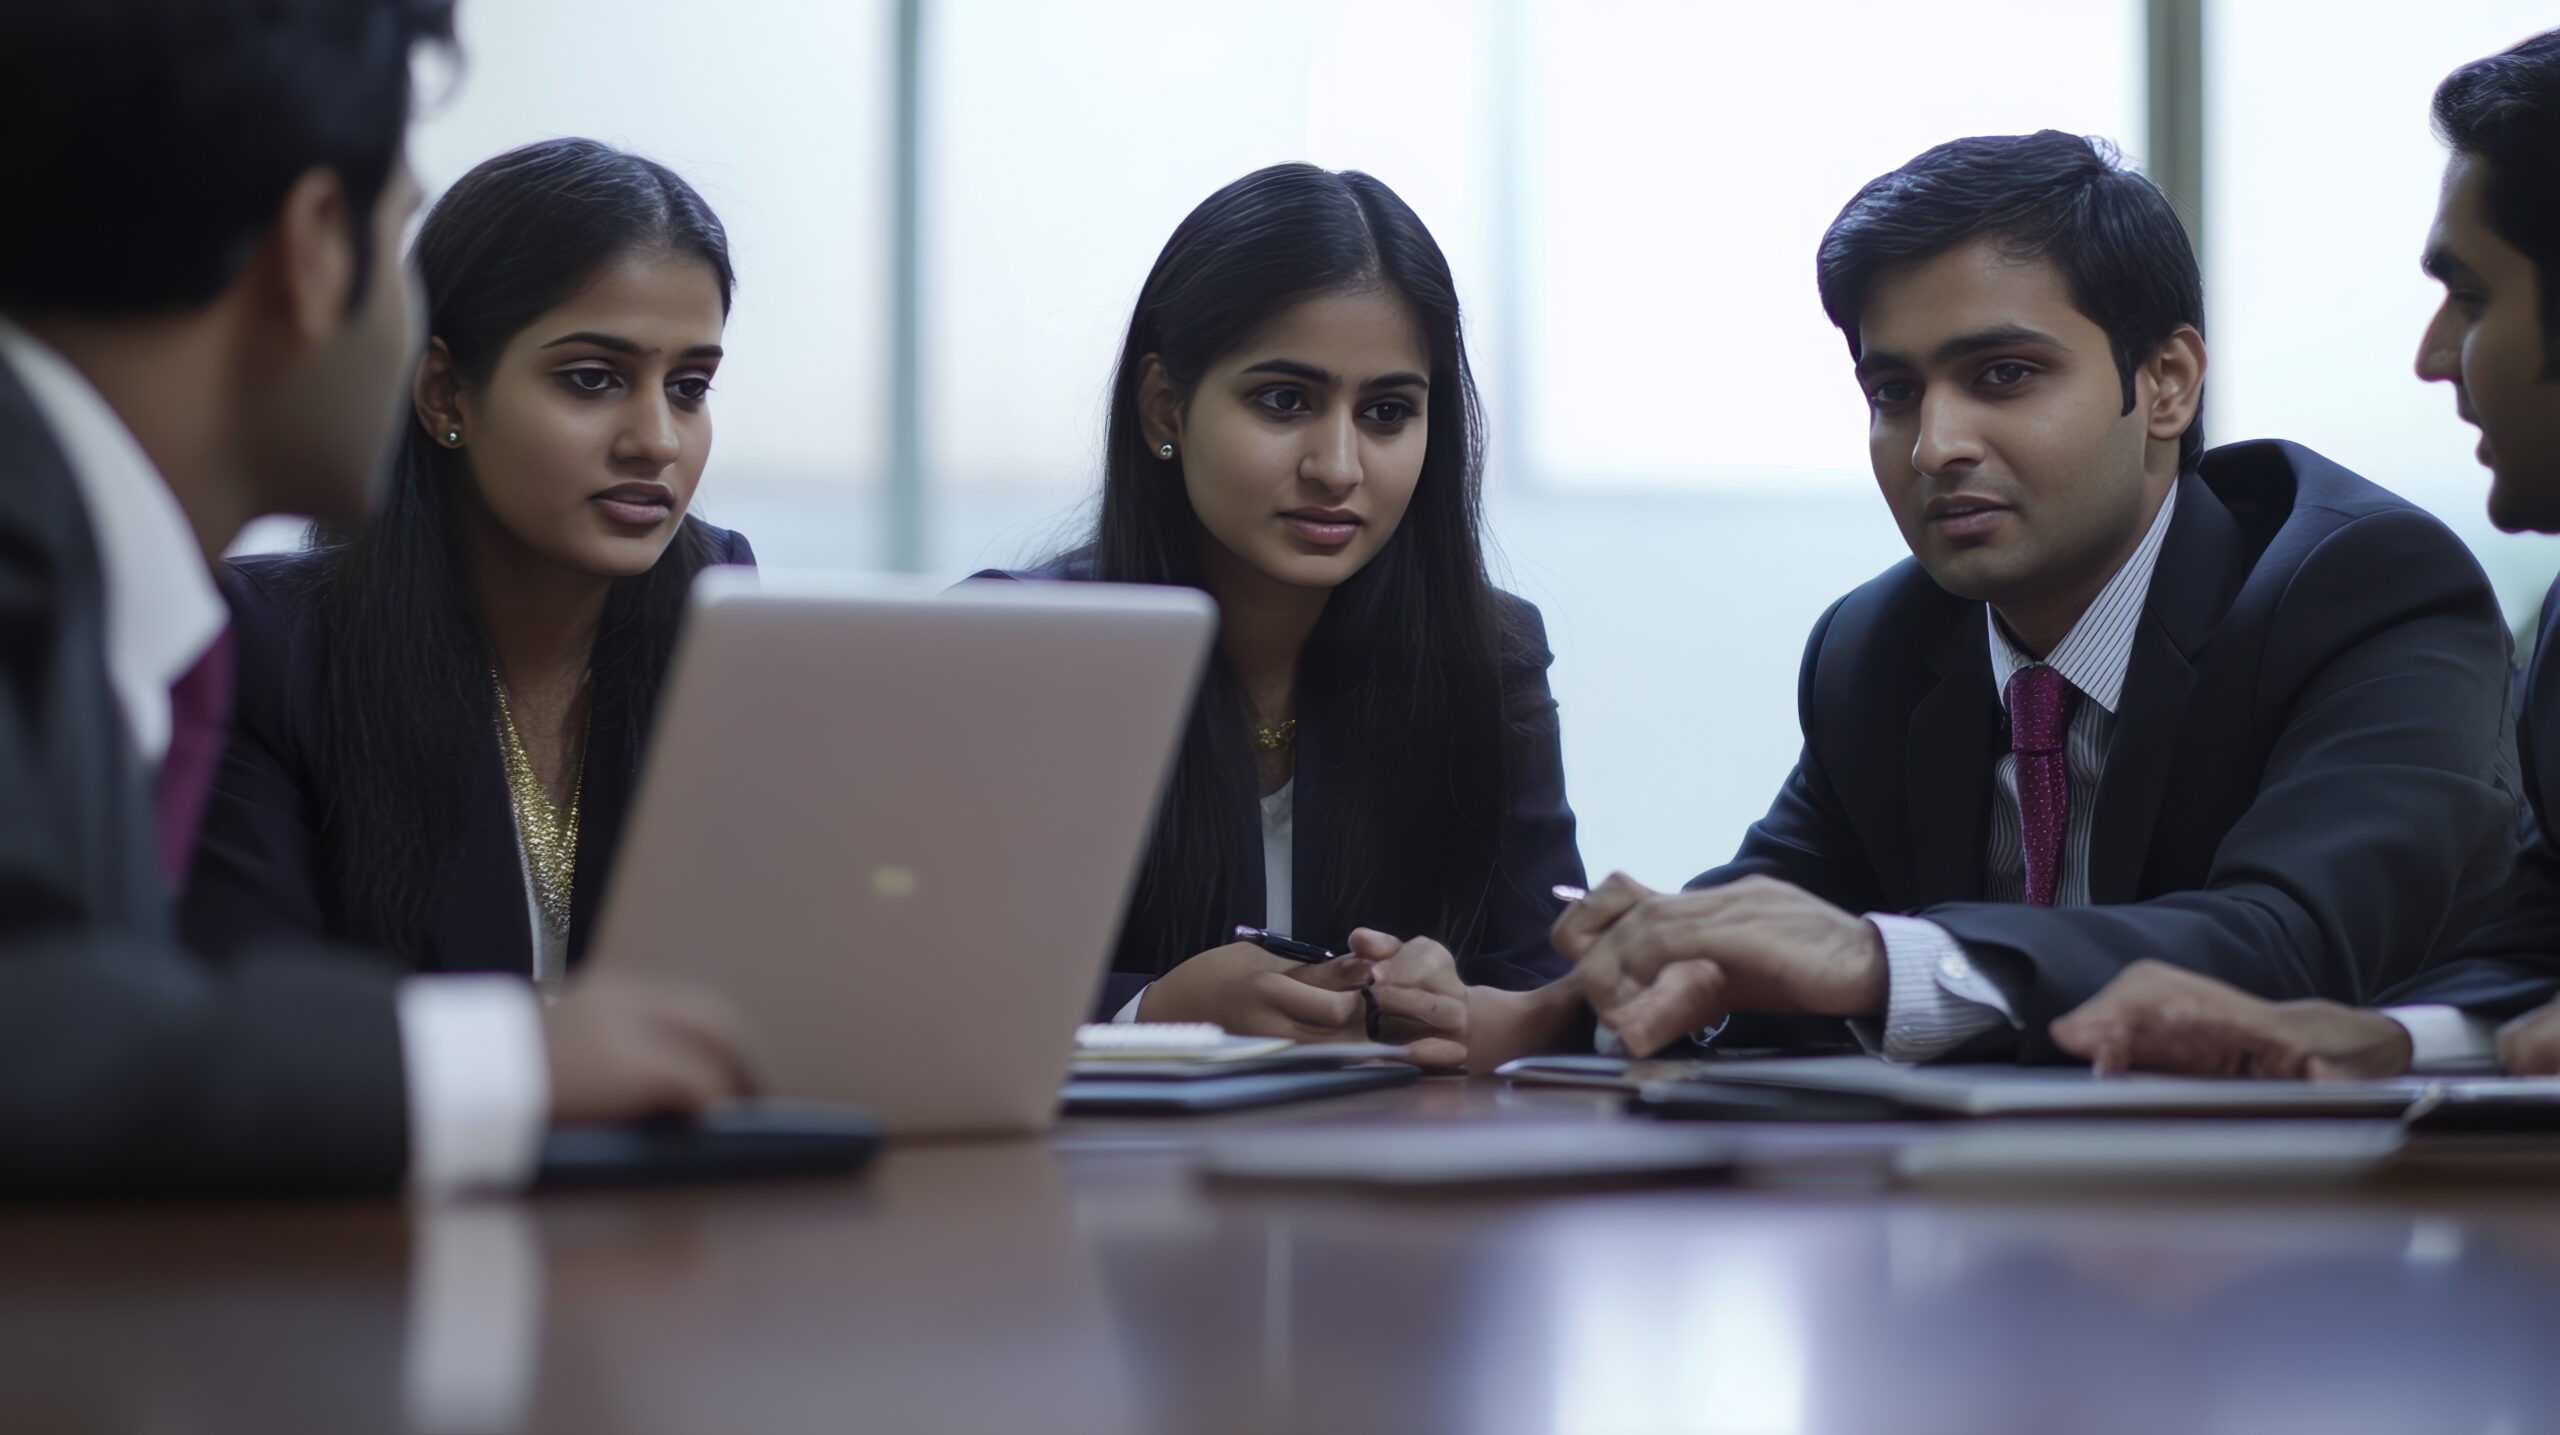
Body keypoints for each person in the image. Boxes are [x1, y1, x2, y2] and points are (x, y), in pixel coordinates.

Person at [0, 0, 755, 1198]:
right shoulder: (200, 627)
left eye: (693, 385)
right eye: (400, 231)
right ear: (314, 248)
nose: (655, 440)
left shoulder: (100, 589)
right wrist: (502, 1058)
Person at [1552, 130, 2519, 1063]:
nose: (1936, 446)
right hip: (1978, 1210)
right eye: (1893, 393)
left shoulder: (2361, 594)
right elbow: (1757, 943)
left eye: (2003, 376)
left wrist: (1878, 960)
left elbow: (2290, 951)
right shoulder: (1879, 646)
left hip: (2357, 1206)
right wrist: (1575, 1001)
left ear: (2168, 384)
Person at [981, 163, 1589, 1068]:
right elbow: (916, 987)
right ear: (1166, 407)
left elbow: (1548, 993)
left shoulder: (1485, 660)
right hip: (1089, 1195)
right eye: (1284, 401)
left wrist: (1459, 1005)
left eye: (1387, 412)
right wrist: (1154, 1008)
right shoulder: (1015, 651)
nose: (1338, 465)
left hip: (1395, 1189)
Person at [2053, 28, 2560, 1080]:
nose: (2430, 357)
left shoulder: (2365, 589)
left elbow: (2288, 932)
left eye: (2469, 297)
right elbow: (2535, 956)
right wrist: (2386, 1035)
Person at [182, 138, 752, 997]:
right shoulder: (273, 649)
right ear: (446, 392)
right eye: (593, 380)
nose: (657, 441)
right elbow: (259, 1033)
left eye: (689, 387)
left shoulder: (717, 609)